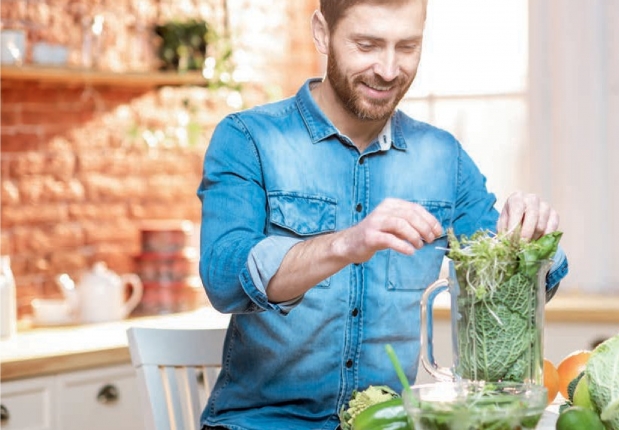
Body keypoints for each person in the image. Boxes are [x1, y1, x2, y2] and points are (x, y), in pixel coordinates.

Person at [196, 0, 569, 428]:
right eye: (367, 45)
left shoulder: (443, 157)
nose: (389, 70)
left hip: (386, 420)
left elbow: (502, 285)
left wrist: (530, 243)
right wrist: (346, 243)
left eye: (406, 47)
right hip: (262, 422)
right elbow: (224, 278)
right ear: (322, 33)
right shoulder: (249, 138)